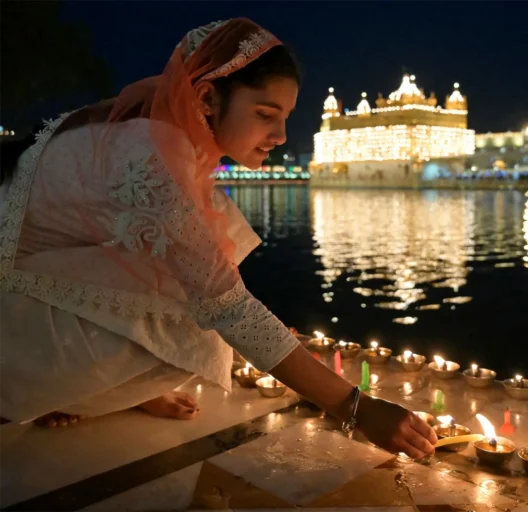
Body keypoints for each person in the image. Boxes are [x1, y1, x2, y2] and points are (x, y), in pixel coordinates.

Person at [0, 18, 437, 459]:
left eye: (285, 117)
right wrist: (355, 407)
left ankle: (73, 387)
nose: (281, 136)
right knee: (199, 327)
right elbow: (228, 307)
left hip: (28, 284)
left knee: (190, 296)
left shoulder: (163, 138)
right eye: (265, 115)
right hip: (9, 314)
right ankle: (28, 388)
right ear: (207, 98)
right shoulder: (149, 155)